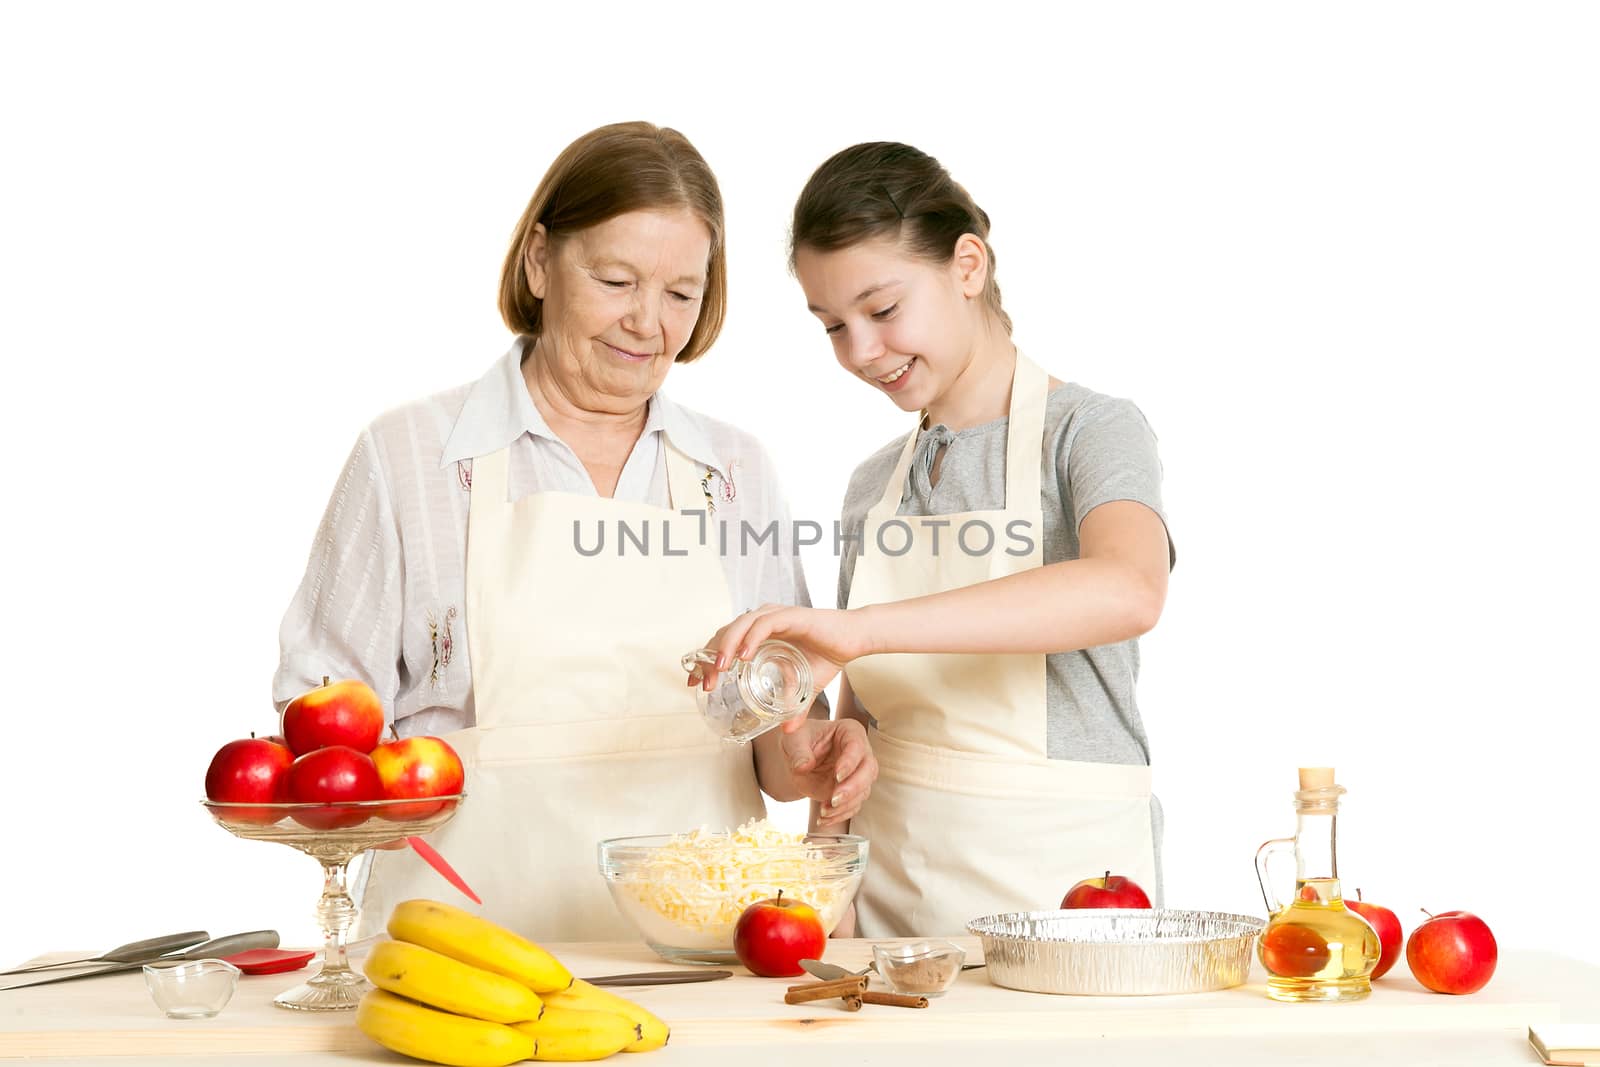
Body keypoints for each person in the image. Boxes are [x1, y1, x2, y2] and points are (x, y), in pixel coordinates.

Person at [274, 122, 875, 941]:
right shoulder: (410, 456)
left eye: (681, 293)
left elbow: (772, 752)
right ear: (538, 261)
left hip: (699, 947)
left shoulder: (736, 471)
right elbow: (321, 724)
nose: (647, 323)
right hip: (464, 944)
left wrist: (814, 754)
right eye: (617, 279)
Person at [693, 142, 1175, 938]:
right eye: (832, 326)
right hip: (891, 906)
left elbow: (1129, 587)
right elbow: (861, 718)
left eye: (882, 311)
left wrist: (859, 633)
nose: (859, 351)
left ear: (968, 265)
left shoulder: (1091, 432)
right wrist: (827, 883)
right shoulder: (872, 485)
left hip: (1072, 900)